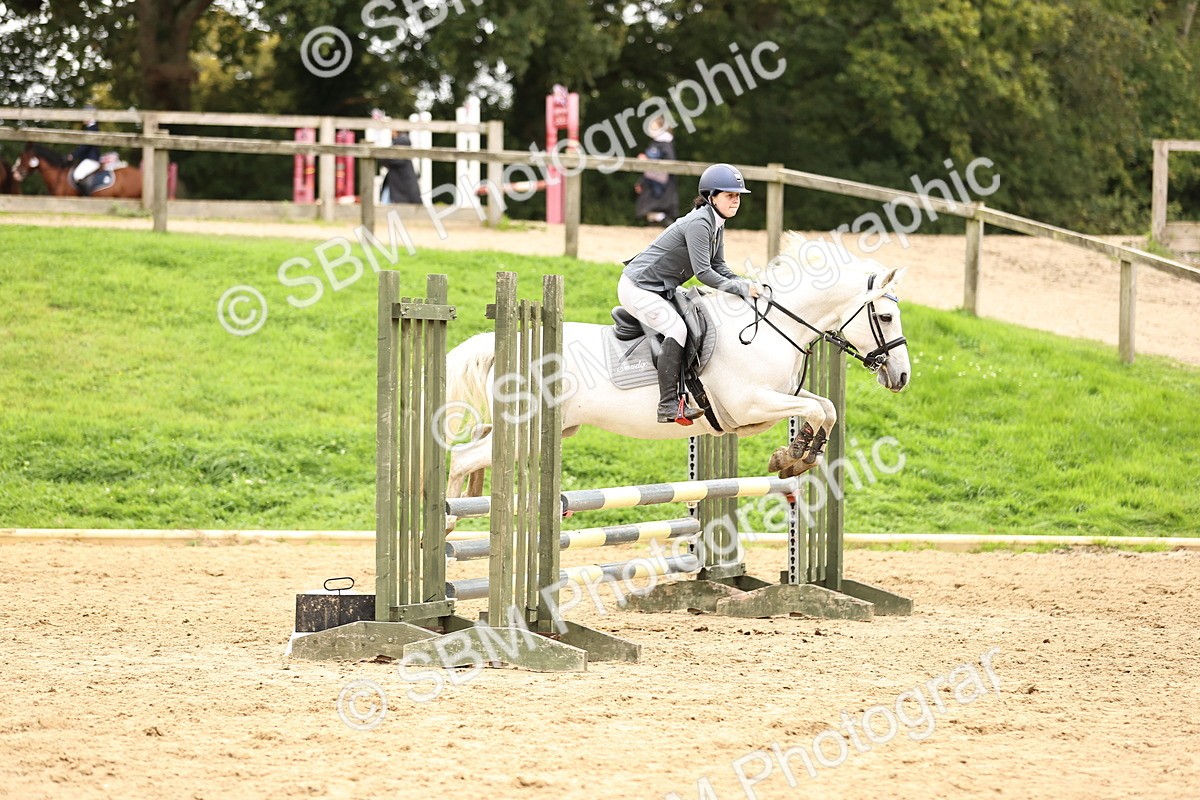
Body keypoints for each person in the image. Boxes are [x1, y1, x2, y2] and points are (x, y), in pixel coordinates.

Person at [619, 163, 762, 424]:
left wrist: (746, 283)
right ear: (711, 196)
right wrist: (741, 288)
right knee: (677, 329)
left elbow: (719, 267)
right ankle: (668, 405)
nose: (736, 200)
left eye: (738, 195)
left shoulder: (716, 222)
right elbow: (704, 274)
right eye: (730, 195)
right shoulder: (699, 223)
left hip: (662, 287)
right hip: (638, 287)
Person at [634, 116, 678, 227]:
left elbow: (669, 162)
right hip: (650, 181)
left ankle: (668, 224)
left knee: (654, 210)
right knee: (649, 212)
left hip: (661, 184)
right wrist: (641, 182)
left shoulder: (666, 144)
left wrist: (648, 159)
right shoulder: (655, 143)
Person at [380, 130, 421, 204]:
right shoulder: (401, 142)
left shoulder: (402, 141)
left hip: (401, 189)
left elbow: (387, 159)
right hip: (400, 188)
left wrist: (380, 154)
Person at [68, 105, 101, 191]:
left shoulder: (93, 129)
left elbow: (85, 146)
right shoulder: (90, 128)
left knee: (77, 175)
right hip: (87, 159)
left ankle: (86, 196)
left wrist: (73, 155)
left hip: (91, 159)